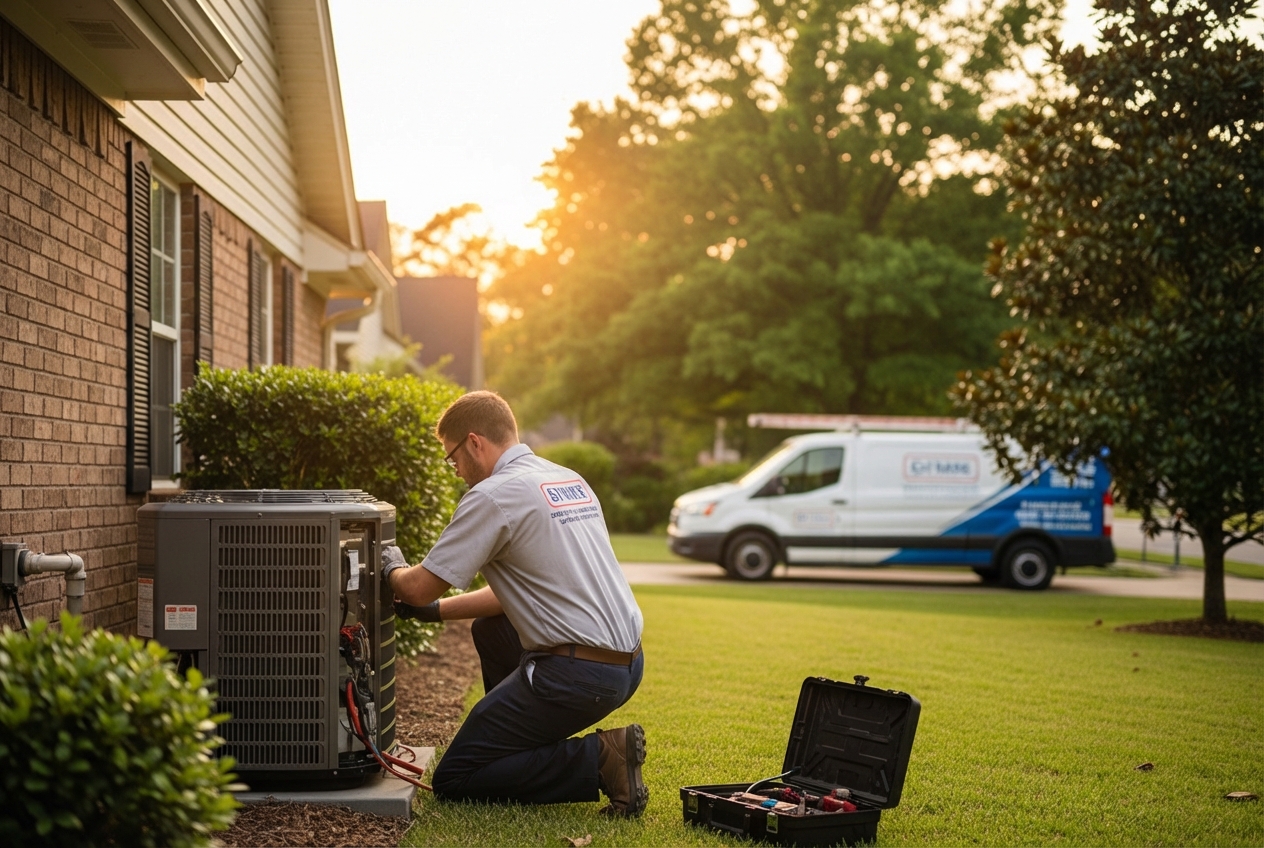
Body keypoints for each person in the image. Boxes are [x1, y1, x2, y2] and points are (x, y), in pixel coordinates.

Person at [381, 390, 648, 816]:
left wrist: (390, 563)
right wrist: (434, 614)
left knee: (457, 776)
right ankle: (521, 745)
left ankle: (600, 757)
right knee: (491, 629)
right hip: (626, 664)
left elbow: (416, 587)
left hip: (579, 675)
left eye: (451, 459)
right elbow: (514, 597)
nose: (454, 472)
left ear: (474, 442)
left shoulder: (493, 495)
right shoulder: (563, 478)